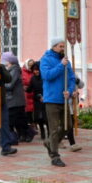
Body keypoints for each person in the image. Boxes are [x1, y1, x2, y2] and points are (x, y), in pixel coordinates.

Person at [40, 39, 76, 167]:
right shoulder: (46, 59)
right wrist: (61, 65)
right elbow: (47, 75)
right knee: (54, 129)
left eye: (64, 46)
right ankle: (55, 156)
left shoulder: (67, 61)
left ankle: (50, 142)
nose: (63, 48)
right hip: (51, 99)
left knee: (68, 126)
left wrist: (70, 90)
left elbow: (72, 78)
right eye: (61, 46)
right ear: (54, 47)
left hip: (64, 99)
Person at [2, 52, 30, 142]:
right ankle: (25, 134)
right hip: (14, 99)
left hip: (14, 99)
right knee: (20, 120)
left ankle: (13, 138)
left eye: (4, 61)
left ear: (9, 61)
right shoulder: (11, 70)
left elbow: (10, 85)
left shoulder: (14, 70)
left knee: (11, 120)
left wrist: (0, 84)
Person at [26, 62, 47, 139]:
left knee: (46, 117)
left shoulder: (44, 78)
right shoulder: (33, 78)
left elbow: (47, 88)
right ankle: (42, 133)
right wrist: (25, 88)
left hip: (45, 99)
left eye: (37, 70)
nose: (36, 71)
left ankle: (49, 132)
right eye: (34, 70)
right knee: (39, 118)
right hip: (37, 100)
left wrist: (44, 97)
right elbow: (29, 89)